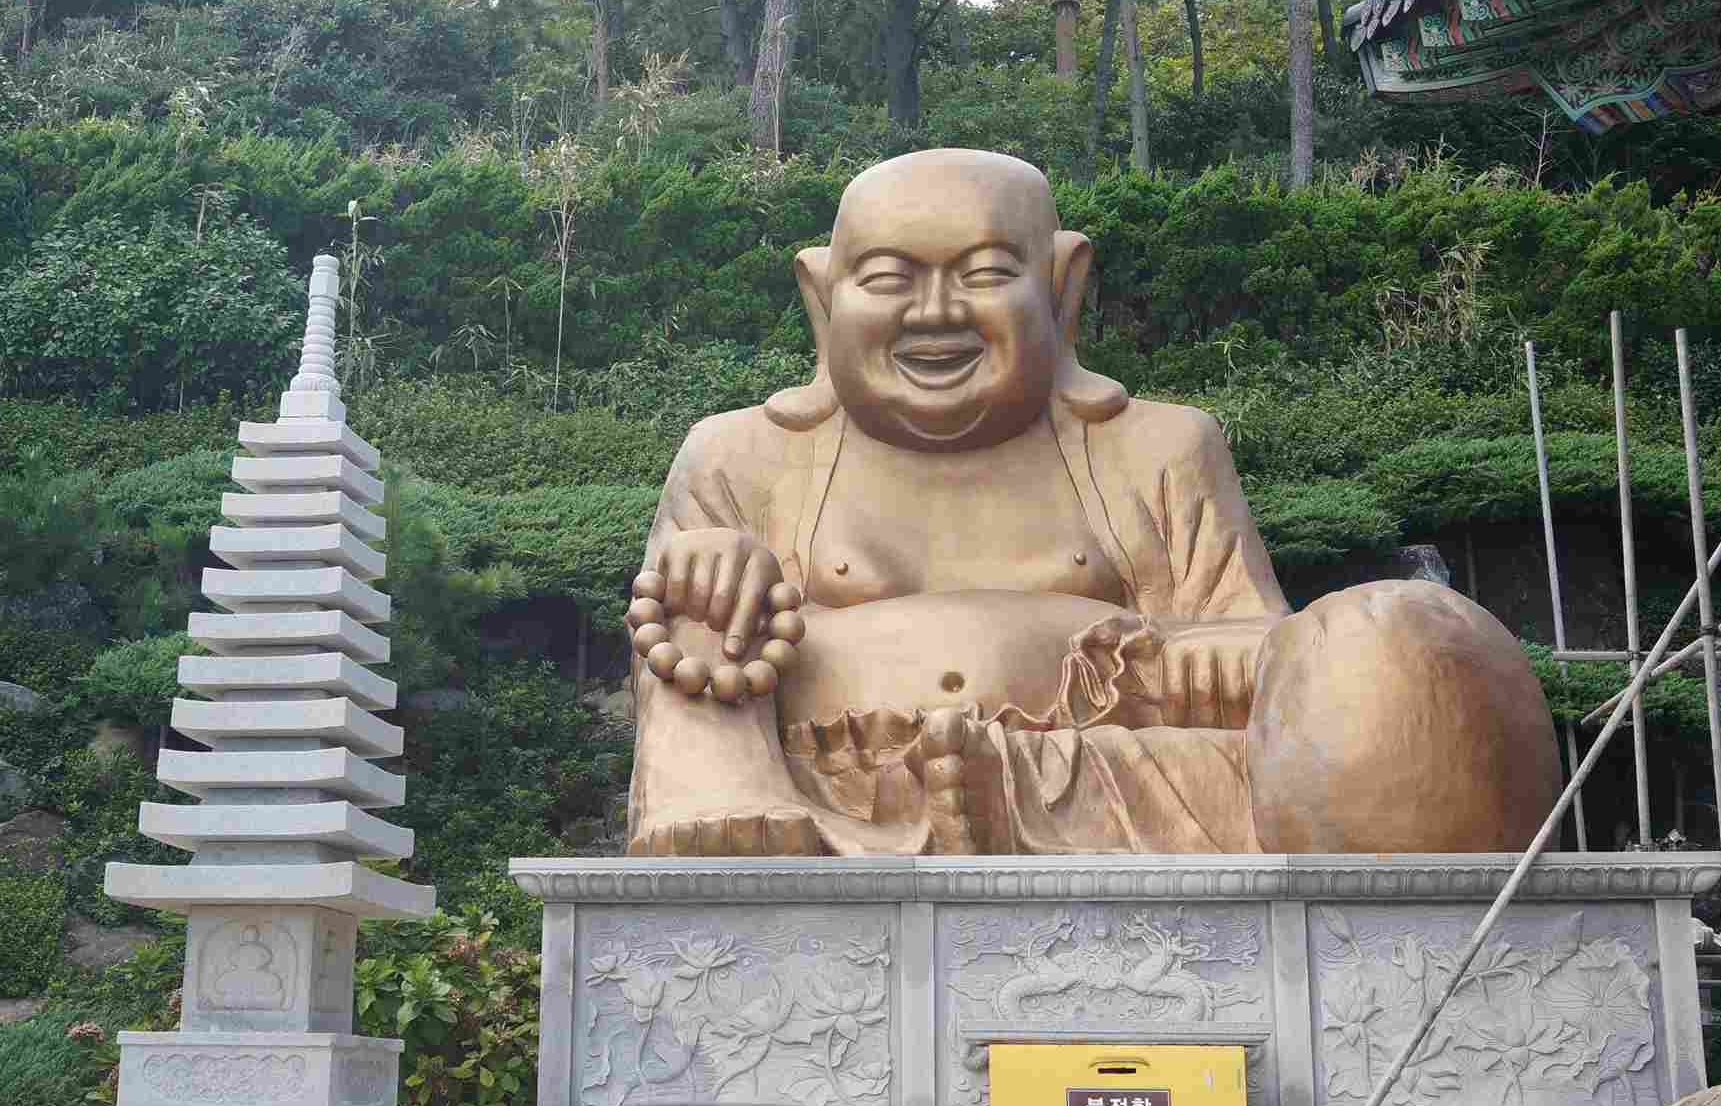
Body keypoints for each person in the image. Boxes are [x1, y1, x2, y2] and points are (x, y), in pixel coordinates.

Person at [623, 148, 1558, 857]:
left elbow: (1275, 662)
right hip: (823, 791)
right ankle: (755, 808)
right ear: (823, 296)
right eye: (889, 279)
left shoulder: (1156, 446)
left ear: (1062, 286)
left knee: (1377, 652)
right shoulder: (742, 454)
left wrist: (1159, 662)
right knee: (692, 611)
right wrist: (714, 580)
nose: (936, 313)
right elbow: (672, 669)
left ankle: (1014, 791)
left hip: (1120, 775)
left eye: (986, 273)